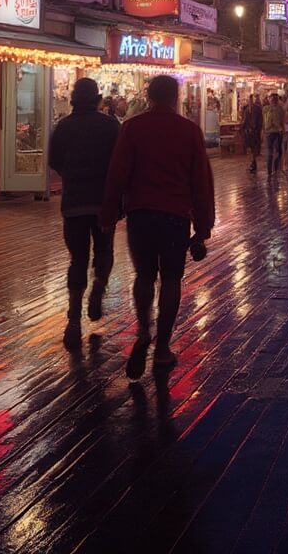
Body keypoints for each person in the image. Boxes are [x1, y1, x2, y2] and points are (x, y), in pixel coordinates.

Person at [101, 75, 215, 378]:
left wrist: (108, 214)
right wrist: (203, 227)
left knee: (144, 276)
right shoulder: (189, 131)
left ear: (148, 97)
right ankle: (163, 346)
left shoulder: (133, 128)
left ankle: (142, 330)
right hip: (175, 217)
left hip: (140, 215)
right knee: (171, 279)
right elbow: (201, 183)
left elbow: (117, 175)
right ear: (176, 98)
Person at [48, 77, 121, 349]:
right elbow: (120, 160)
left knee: (77, 259)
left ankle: (73, 318)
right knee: (104, 251)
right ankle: (99, 287)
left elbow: (54, 160)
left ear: (73, 100)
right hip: (103, 202)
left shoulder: (63, 127)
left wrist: (71, 175)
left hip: (74, 202)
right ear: (98, 99)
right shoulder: (110, 126)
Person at [263, 93, 285, 177]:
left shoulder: (279, 109)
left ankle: (273, 169)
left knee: (274, 152)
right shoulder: (266, 109)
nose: (273, 101)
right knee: (272, 152)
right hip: (272, 132)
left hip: (275, 132)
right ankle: (271, 170)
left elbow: (282, 121)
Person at [241, 94, 263, 173]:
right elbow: (244, 120)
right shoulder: (246, 109)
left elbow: (260, 121)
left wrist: (258, 130)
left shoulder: (257, 109)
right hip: (248, 132)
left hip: (254, 132)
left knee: (253, 149)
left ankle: (253, 163)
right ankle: (252, 163)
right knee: (250, 148)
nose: (250, 101)